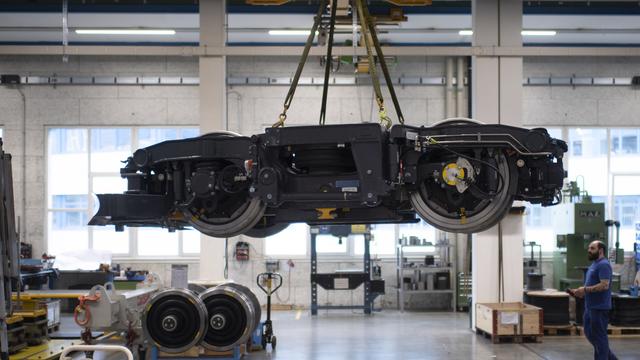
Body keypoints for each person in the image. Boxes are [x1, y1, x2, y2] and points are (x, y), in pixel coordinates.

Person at [570, 241, 617, 360]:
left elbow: (605, 285)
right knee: (590, 334)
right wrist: (580, 292)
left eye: (592, 248)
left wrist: (585, 289)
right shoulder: (594, 264)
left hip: (599, 308)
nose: (589, 250)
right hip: (590, 306)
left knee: (599, 337)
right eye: (589, 248)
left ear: (600, 250)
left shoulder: (604, 264)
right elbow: (591, 285)